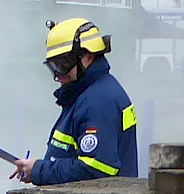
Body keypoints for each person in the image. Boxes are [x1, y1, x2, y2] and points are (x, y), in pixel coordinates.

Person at [10, 18, 138, 184]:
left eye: (63, 64)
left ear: (88, 57)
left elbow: (96, 170)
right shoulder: (86, 93)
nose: (58, 74)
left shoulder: (98, 101)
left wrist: (40, 170)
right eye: (52, 66)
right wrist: (35, 169)